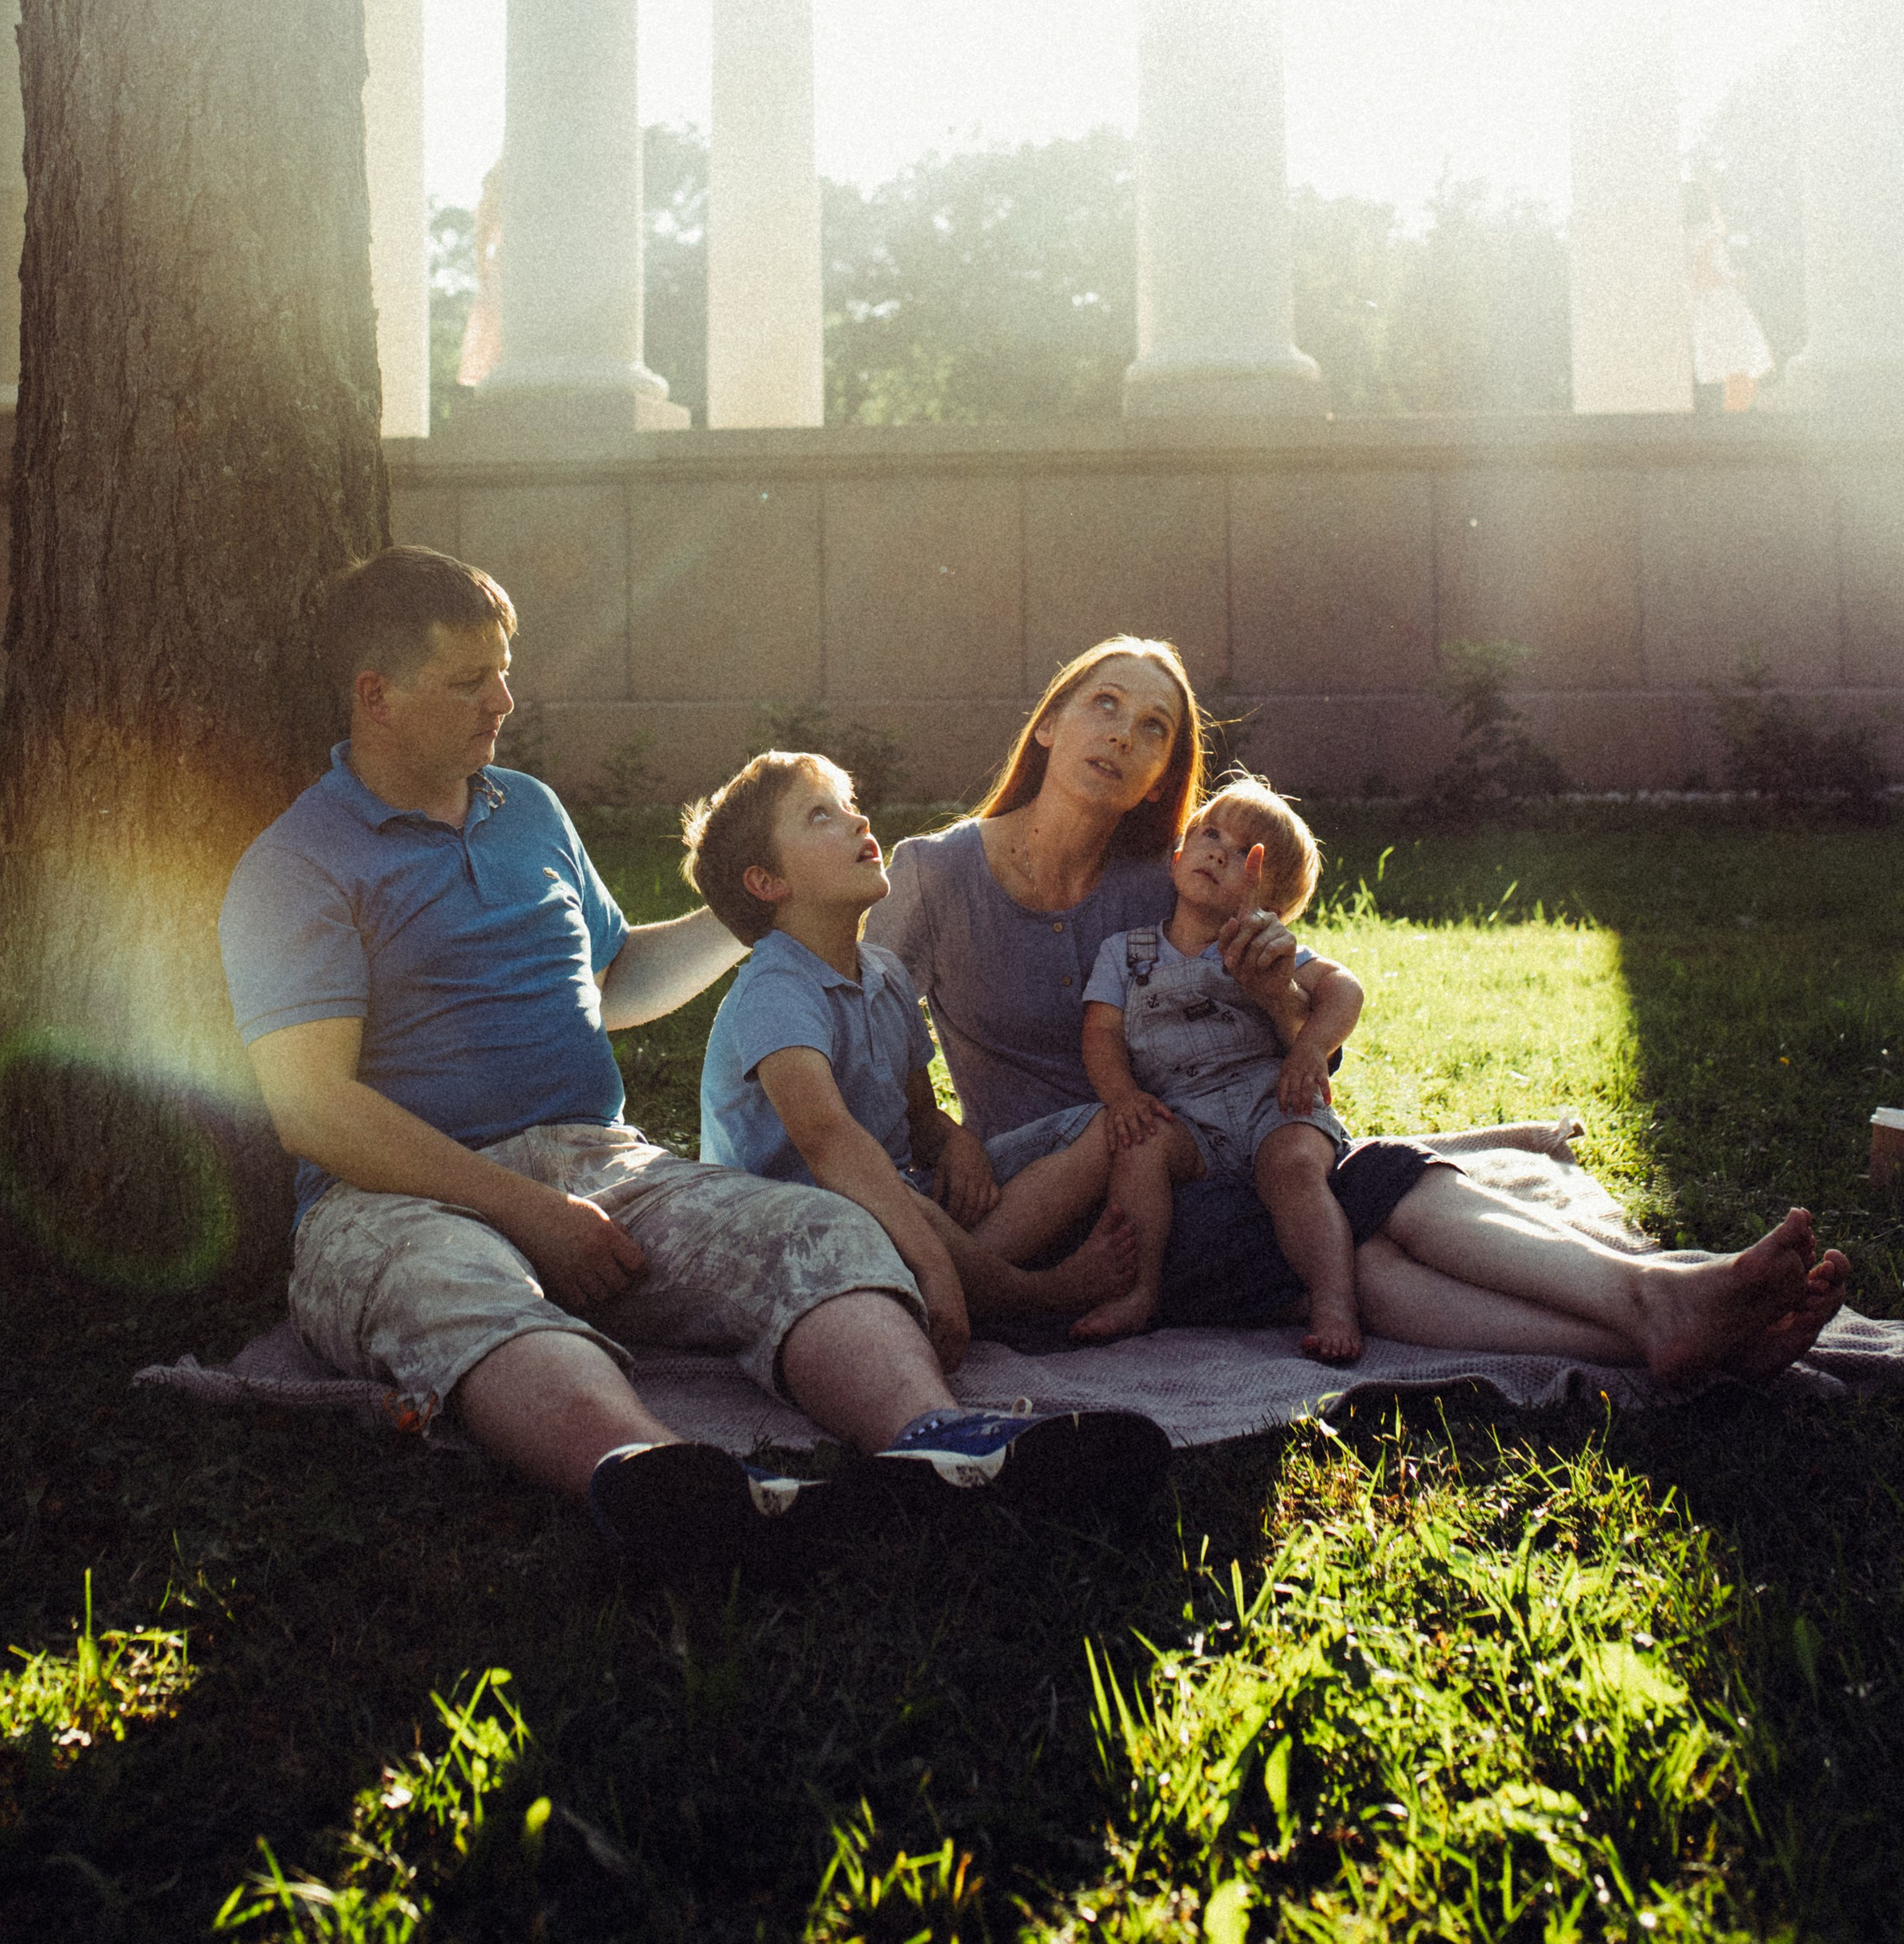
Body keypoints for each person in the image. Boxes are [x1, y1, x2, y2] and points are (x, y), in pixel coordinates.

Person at [217, 548, 1166, 1584]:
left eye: (502, 668)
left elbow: (615, 979)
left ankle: (940, 1445)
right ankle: (663, 1482)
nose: (504, 700)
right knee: (455, 1290)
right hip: (391, 1197)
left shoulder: (527, 809)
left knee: (820, 1223)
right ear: (376, 697)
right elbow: (312, 1107)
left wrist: (763, 901)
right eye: (468, 681)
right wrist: (527, 1214)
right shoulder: (296, 865)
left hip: (599, 1164)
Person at [865, 633, 1851, 1379]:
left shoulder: (1164, 883)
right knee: (1362, 1197)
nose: (1123, 734)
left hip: (1198, 1164)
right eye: (1104, 705)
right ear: (1048, 722)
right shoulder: (934, 872)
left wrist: (1277, 1006)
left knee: (1345, 1243)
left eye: (1154, 727)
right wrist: (936, 1125)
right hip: (1064, 1214)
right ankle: (1649, 1306)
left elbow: (1282, 1052)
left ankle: (1651, 1328)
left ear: (1168, 772)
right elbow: (854, 1031)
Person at [690, 749, 1144, 1363]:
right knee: (902, 1204)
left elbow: (918, 1117)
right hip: (796, 1221)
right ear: (768, 882)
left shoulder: (884, 974)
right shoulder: (776, 990)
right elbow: (829, 1144)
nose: (858, 822)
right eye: (821, 816)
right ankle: (1032, 1293)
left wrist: (958, 1146)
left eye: (850, 805)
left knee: (1099, 1128)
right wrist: (932, 1258)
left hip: (901, 1197)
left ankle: (962, 1278)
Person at [1075, 777, 1367, 1360]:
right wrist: (1122, 1095)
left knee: (1294, 1168)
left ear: (1272, 904)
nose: (1217, 852)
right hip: (1183, 1116)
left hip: (1272, 1103)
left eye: (1244, 856)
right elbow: (1101, 1032)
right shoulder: (1126, 952)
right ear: (1178, 855)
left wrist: (1309, 1049)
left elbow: (1345, 989)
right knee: (1137, 1147)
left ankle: (1334, 1301)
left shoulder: (1268, 946)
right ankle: (1140, 1292)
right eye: (1209, 835)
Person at [1685, 180, 1772, 413]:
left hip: (1708, 308)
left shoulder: (1689, 235)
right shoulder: (1707, 234)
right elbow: (1702, 276)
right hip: (1722, 307)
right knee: (1741, 366)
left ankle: (1732, 417)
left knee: (1733, 369)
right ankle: (1735, 419)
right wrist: (1735, 280)